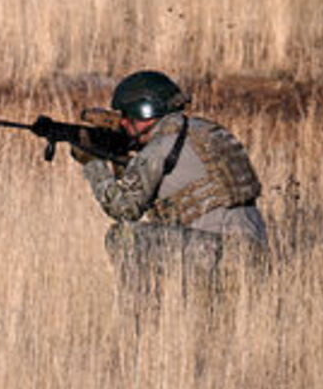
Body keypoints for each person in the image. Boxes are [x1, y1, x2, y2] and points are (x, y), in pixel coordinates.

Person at [72, 70, 268, 305]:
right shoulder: (204, 130)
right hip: (255, 252)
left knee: (123, 236)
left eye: (129, 115)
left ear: (147, 111)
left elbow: (124, 209)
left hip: (219, 254)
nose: (123, 122)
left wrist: (92, 163)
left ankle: (142, 319)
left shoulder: (160, 147)